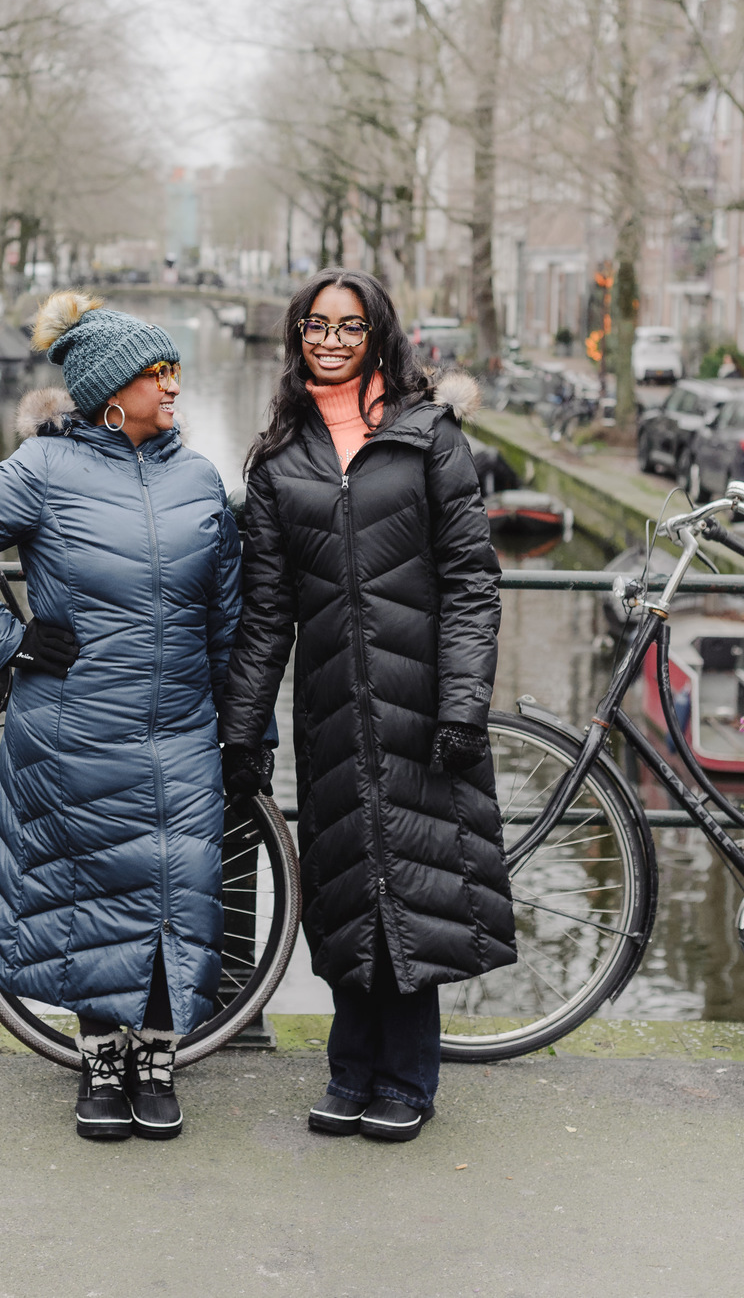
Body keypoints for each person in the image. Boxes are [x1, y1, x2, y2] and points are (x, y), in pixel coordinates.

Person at [0, 293, 241, 1143]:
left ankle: (158, 1056)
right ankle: (100, 1061)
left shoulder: (200, 478)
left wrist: (246, 734)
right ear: (110, 390)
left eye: (173, 373)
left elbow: (229, 621)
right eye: (157, 374)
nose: (172, 388)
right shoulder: (42, 470)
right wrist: (10, 642)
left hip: (182, 732)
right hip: (75, 730)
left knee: (176, 894)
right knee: (86, 897)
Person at [219, 268, 516, 1144]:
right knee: (348, 887)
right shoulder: (280, 461)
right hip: (332, 711)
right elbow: (266, 609)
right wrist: (244, 728)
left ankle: (407, 1078)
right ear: (298, 336)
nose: (334, 340)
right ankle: (349, 1071)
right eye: (318, 325)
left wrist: (464, 702)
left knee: (417, 883)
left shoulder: (430, 440)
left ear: (379, 334)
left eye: (351, 327)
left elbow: (470, 582)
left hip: (424, 707)